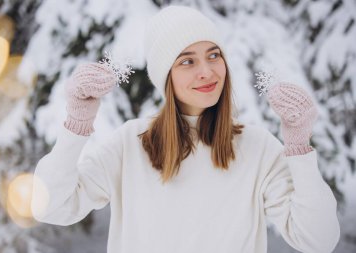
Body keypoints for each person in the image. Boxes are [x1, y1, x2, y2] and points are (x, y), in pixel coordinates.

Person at [31, 5, 340, 253]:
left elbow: (317, 240)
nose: (207, 72)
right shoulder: (131, 143)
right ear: (166, 78)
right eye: (187, 61)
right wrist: (76, 126)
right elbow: (52, 207)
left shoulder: (256, 148)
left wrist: (299, 146)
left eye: (213, 55)